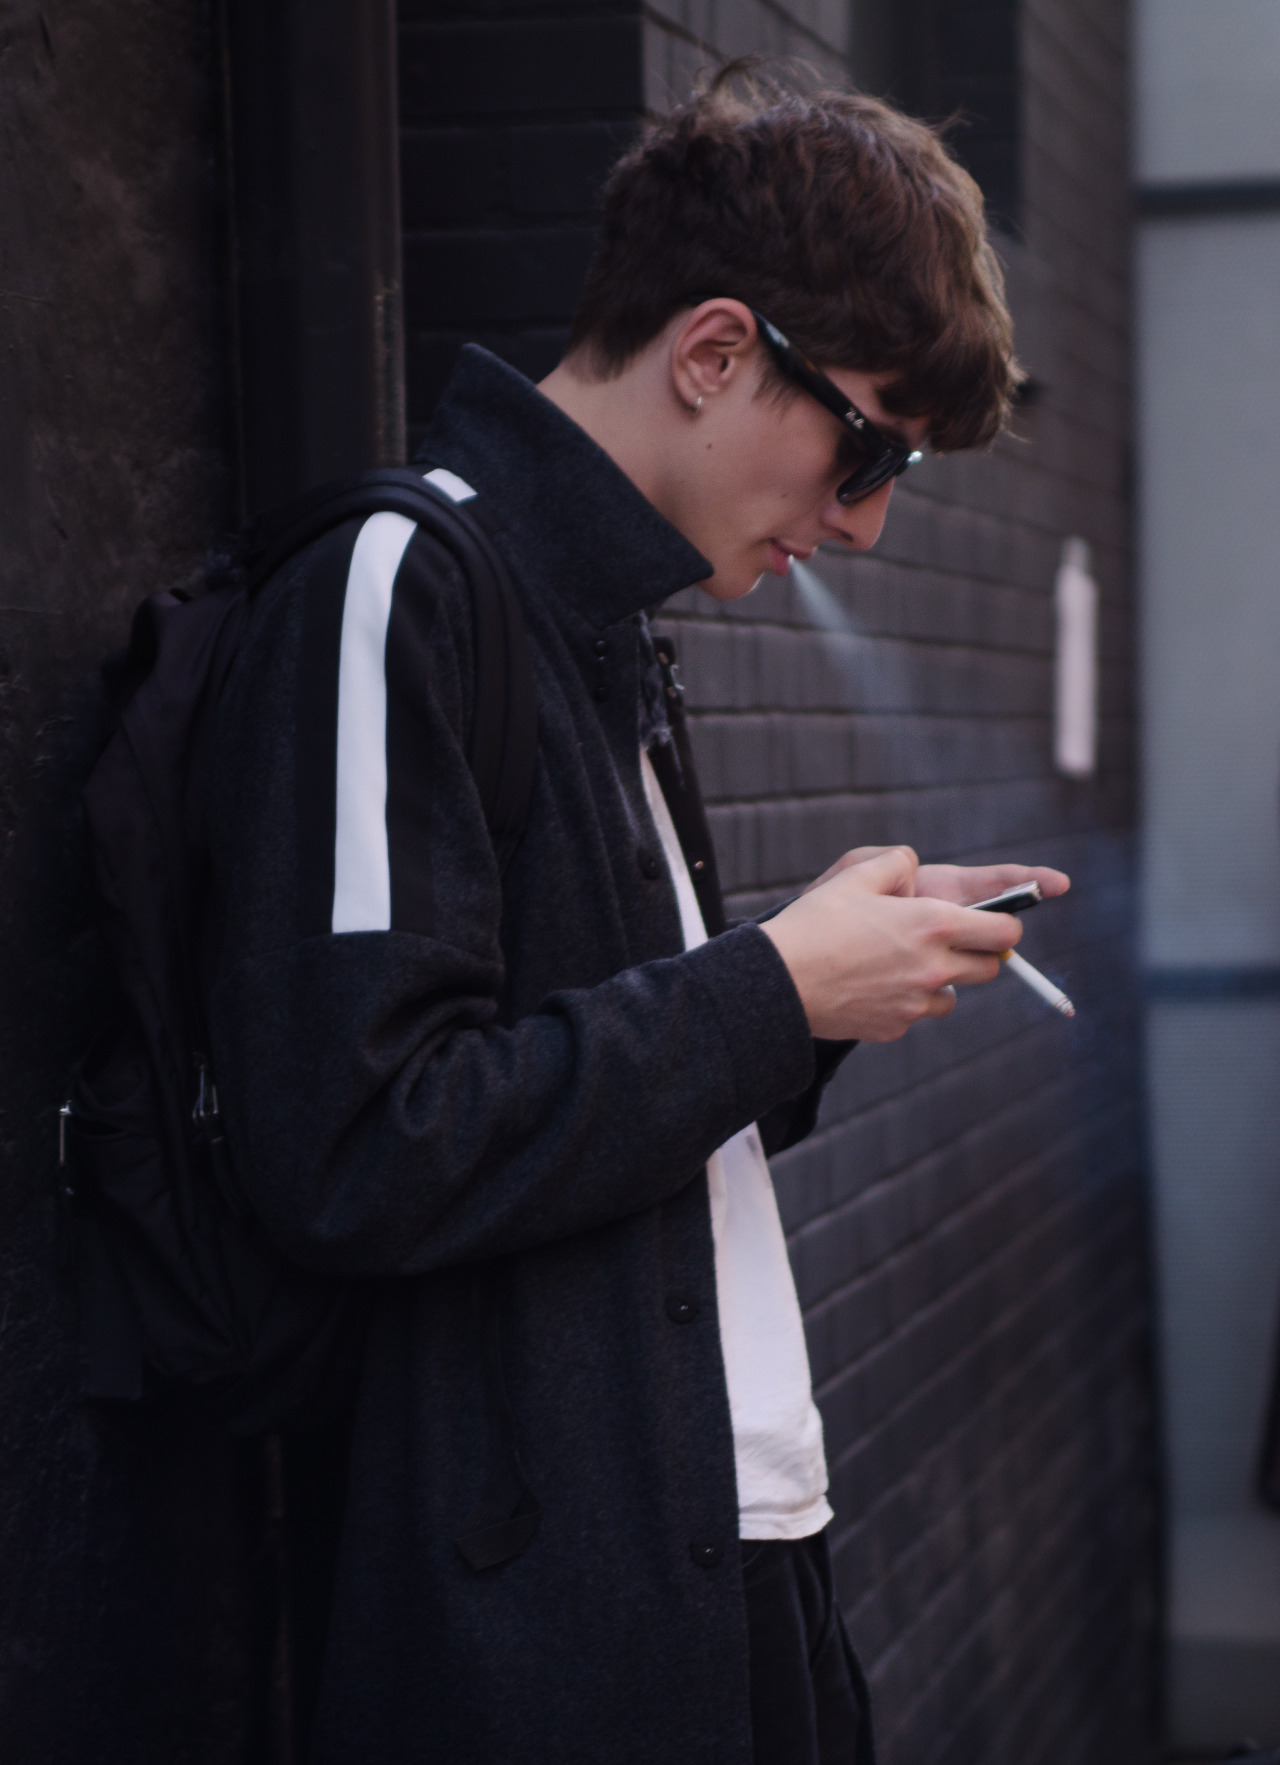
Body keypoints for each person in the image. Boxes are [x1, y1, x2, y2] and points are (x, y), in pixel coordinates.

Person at [207, 67, 1068, 1765]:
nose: (865, 519)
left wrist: (816, 978)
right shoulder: (401, 586)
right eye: (868, 441)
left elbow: (611, 1087)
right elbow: (359, 1136)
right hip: (548, 1630)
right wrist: (768, 989)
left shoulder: (612, 634)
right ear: (714, 352)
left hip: (738, 1539)